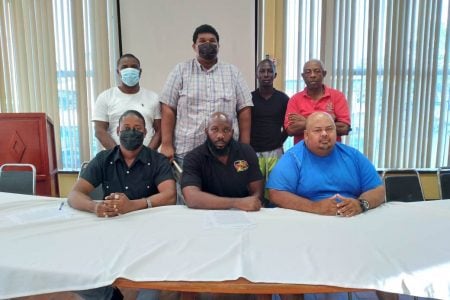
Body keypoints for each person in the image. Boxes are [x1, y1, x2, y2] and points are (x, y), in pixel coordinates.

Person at [68, 110, 176, 300]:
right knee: (82, 272)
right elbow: (74, 195)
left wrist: (133, 205)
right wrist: (95, 207)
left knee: (151, 289)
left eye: (137, 129)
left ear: (145, 133)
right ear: (117, 130)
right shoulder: (104, 159)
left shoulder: (157, 160)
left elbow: (170, 195)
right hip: (111, 230)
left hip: (149, 233)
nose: (131, 132)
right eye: (126, 128)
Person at [159, 24, 253, 163]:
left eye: (212, 41)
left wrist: (244, 147)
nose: (207, 44)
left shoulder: (233, 73)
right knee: (189, 185)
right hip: (187, 151)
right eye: (202, 41)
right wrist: (166, 144)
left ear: (218, 46)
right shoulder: (180, 71)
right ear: (194, 46)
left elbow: (244, 109)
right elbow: (168, 108)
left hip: (225, 153)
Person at [268, 111, 384, 216]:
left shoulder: (353, 155)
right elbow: (276, 194)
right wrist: (315, 207)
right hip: (308, 219)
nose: (324, 134)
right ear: (306, 135)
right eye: (317, 130)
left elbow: (378, 189)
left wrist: (361, 204)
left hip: (351, 218)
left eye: (329, 129)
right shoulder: (293, 158)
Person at [181, 112, 263, 211]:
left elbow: (257, 192)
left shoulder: (246, 152)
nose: (220, 135)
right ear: (206, 131)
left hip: (242, 213)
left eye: (226, 130)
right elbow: (191, 198)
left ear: (232, 132)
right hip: (206, 213)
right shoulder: (193, 158)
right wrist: (236, 203)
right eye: (214, 130)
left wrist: (251, 203)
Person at [93, 53, 162, 150]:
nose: (129, 70)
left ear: (140, 72)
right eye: (124, 67)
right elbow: (99, 130)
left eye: (134, 67)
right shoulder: (105, 97)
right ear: (118, 72)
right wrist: (118, 155)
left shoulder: (153, 97)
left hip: (147, 161)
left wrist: (147, 155)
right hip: (115, 160)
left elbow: (160, 131)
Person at [250, 58, 289, 205]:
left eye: (269, 71)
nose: (266, 74)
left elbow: (288, 126)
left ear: (275, 75)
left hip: (275, 151)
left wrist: (279, 141)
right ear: (257, 75)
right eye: (262, 71)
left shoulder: (283, 99)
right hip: (254, 152)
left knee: (275, 190)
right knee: (255, 192)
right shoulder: (249, 98)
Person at [284, 59, 351, 144]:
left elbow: (344, 128)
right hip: (303, 153)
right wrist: (329, 120)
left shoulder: (337, 96)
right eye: (308, 72)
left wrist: (305, 121)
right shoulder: (294, 99)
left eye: (317, 71)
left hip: (332, 152)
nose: (312, 75)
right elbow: (291, 130)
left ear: (324, 74)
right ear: (303, 76)